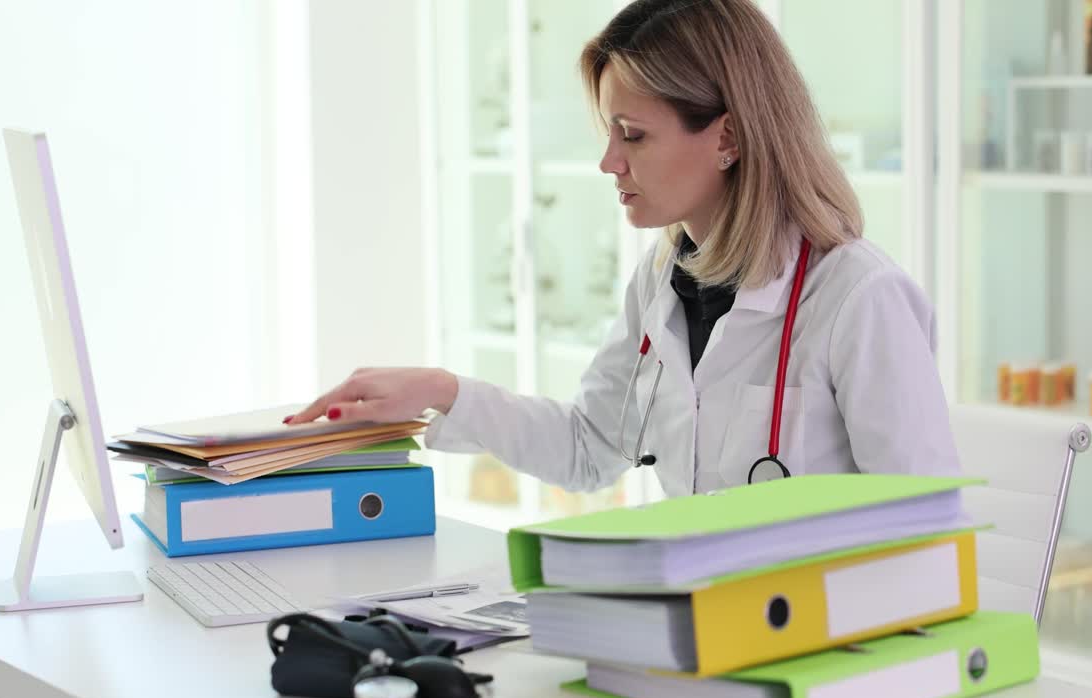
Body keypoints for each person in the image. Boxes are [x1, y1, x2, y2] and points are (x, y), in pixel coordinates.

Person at [287, 0, 960, 497]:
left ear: (727, 139)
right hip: (697, 629)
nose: (609, 162)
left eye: (632, 135)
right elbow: (591, 448)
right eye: (610, 133)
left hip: (818, 651)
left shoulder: (857, 299)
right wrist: (445, 391)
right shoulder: (664, 280)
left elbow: (926, 530)